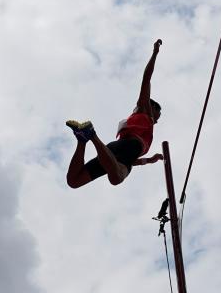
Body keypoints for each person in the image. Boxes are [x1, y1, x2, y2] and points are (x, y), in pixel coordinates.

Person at [66, 39, 164, 188]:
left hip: (113, 151)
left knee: (74, 181)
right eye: (159, 113)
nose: (158, 119)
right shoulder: (146, 112)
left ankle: (82, 139)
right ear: (153, 108)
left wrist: (149, 160)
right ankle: (91, 134)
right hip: (127, 149)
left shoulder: (140, 124)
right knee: (116, 178)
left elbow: (129, 160)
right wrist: (155, 54)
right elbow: (146, 79)